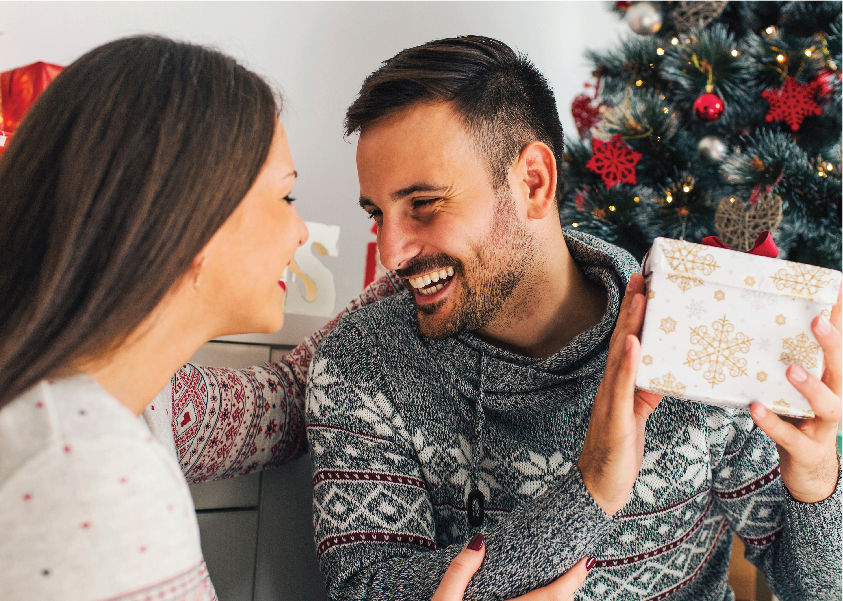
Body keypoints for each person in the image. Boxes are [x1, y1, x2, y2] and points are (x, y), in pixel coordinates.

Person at [0, 35, 589, 601]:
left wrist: (429, 279)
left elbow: (278, 402)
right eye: (285, 198)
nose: (301, 230)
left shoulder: (124, 404)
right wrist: (594, 489)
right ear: (185, 220)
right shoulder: (82, 469)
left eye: (424, 205)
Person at [304, 35, 843, 601]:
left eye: (424, 204)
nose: (390, 252)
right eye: (377, 213)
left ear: (533, 182)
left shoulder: (696, 332)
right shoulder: (363, 363)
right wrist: (590, 492)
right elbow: (370, 589)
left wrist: (815, 485)